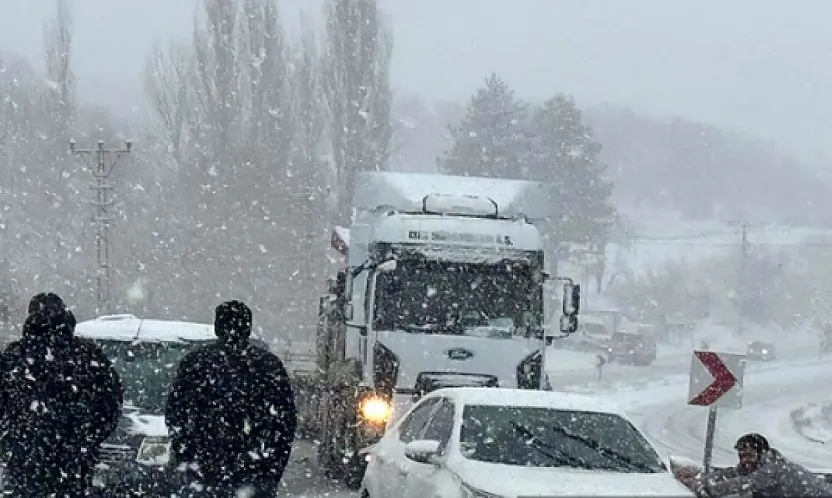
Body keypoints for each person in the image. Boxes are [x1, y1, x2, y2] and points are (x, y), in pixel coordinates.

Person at [165, 300, 297, 497]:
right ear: (248, 328)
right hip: (251, 470)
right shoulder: (267, 365)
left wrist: (188, 455)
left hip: (205, 469)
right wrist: (270, 469)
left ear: (217, 327)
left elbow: (176, 413)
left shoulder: (196, 363)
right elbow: (284, 423)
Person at [0, 293, 123, 496]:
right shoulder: (88, 356)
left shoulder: (15, 356)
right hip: (74, 460)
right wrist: (87, 439)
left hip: (26, 458)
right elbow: (110, 404)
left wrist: (14, 438)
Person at [675, 433, 832, 497]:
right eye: (741, 456)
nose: (744, 460)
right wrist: (699, 476)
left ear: (762, 453)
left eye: (749, 455)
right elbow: (730, 474)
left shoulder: (773, 469)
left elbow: (740, 484)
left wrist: (695, 485)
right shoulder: (755, 465)